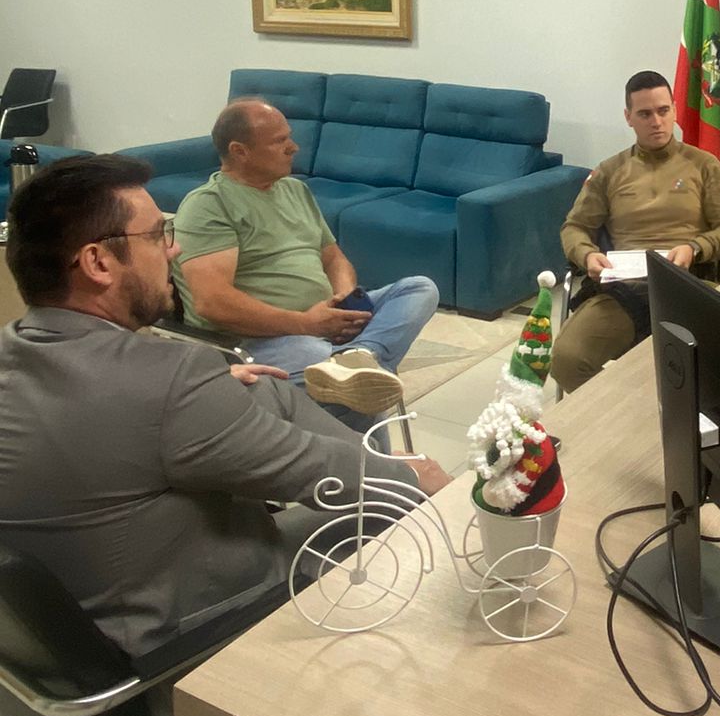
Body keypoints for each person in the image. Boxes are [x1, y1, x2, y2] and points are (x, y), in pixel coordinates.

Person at [0, 155, 449, 668]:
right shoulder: (167, 380)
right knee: (403, 503)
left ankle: (365, 427)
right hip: (195, 636)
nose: (174, 248)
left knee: (265, 388)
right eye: (158, 235)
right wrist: (415, 478)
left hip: (76, 634)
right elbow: (319, 473)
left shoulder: (17, 350)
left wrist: (211, 388)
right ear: (98, 263)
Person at [172, 99, 439, 423]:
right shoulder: (209, 205)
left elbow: (334, 258)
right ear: (240, 151)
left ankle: (360, 355)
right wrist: (305, 324)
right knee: (349, 386)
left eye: (289, 137)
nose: (293, 147)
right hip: (262, 340)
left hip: (323, 321)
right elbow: (212, 303)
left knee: (419, 288)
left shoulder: (295, 190)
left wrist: (343, 298)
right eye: (279, 141)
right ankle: (351, 374)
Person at [551, 70, 720, 395]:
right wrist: (587, 255)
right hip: (623, 291)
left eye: (663, 110)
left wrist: (695, 247)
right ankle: (621, 415)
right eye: (644, 114)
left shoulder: (704, 165)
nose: (656, 121)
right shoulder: (610, 171)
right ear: (628, 117)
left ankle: (677, 415)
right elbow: (574, 228)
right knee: (567, 359)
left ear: (674, 110)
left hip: (687, 285)